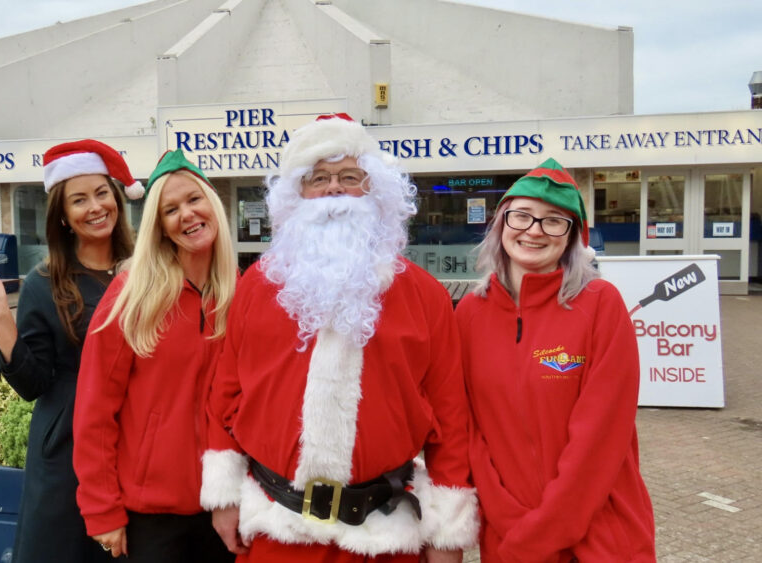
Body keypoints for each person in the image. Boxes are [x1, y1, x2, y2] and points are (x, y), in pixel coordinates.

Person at [200, 114, 479, 562]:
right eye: (319, 178)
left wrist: (447, 534)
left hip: (382, 536)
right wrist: (224, 496)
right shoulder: (257, 284)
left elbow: (450, 419)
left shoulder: (425, 296)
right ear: (297, 193)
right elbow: (226, 393)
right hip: (276, 530)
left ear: (376, 191)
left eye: (350, 177)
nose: (334, 189)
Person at [455, 158, 656, 562]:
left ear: (572, 237)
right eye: (522, 216)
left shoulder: (600, 306)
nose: (533, 230)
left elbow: (600, 439)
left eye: (553, 221)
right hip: (509, 533)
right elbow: (469, 434)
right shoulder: (468, 315)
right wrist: (507, 518)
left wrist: (544, 530)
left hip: (600, 533)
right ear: (500, 224)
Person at [0, 139, 144, 562]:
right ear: (63, 217)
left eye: (102, 193)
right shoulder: (43, 282)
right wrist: (1, 319)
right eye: (79, 200)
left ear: (117, 198)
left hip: (138, 434)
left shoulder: (148, 268)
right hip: (66, 449)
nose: (95, 206)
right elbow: (33, 384)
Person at [73, 149, 238, 562]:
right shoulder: (132, 295)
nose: (187, 214)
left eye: (194, 200)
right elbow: (94, 410)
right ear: (160, 227)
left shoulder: (239, 293)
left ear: (213, 204)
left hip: (225, 507)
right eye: (171, 209)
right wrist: (102, 509)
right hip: (151, 514)